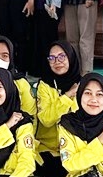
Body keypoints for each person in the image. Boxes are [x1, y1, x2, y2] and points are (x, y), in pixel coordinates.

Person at [34, 41, 82, 169]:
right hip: (48, 149)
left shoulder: (83, 85)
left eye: (62, 56)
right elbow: (46, 119)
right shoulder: (45, 85)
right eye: (52, 58)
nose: (57, 62)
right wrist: (67, 96)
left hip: (77, 150)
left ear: (70, 57)